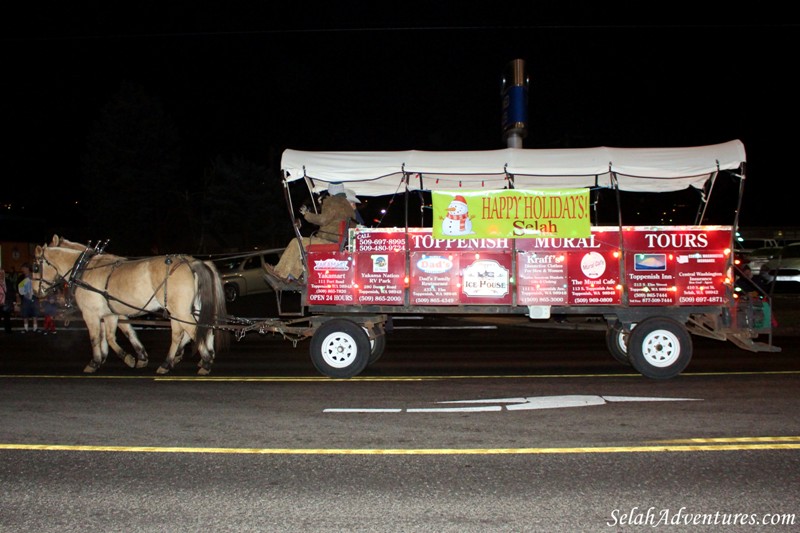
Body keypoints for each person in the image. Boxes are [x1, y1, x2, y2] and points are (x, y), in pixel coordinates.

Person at [267, 182, 356, 281]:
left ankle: (281, 273)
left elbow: (322, 220)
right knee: (301, 247)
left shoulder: (333, 201)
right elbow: (332, 220)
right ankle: (292, 275)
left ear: (330, 191)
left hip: (328, 240)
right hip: (338, 240)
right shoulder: (347, 206)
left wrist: (306, 214)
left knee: (296, 242)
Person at [16, 263, 39, 334]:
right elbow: (18, 286)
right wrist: (19, 295)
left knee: (35, 313)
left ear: (27, 268)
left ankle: (35, 328)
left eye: (24, 268)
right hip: (25, 297)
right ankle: (26, 329)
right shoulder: (21, 277)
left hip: (34, 296)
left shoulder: (34, 275)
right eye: (22, 268)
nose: (22, 270)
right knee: (25, 314)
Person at [0, 269, 12, 334]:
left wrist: (12, 301)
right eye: (0, 273)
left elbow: (11, 292)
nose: (1, 275)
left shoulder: (8, 282)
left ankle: (8, 331)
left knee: (7, 317)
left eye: (2, 274)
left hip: (5, 302)